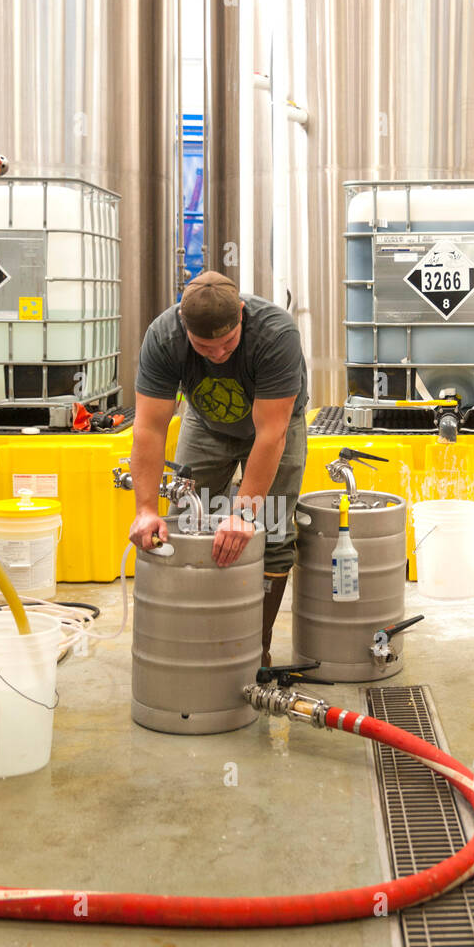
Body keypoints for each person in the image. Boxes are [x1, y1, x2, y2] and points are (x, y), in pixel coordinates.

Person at [129, 269, 308, 666]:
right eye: (204, 348)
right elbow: (149, 428)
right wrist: (145, 509)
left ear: (242, 313)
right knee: (185, 524)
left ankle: (251, 650)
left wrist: (243, 513)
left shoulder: (276, 334)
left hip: (275, 427)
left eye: (227, 344)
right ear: (183, 325)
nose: (218, 355)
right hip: (206, 423)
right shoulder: (164, 337)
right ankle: (192, 642)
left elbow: (270, 435)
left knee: (272, 530)